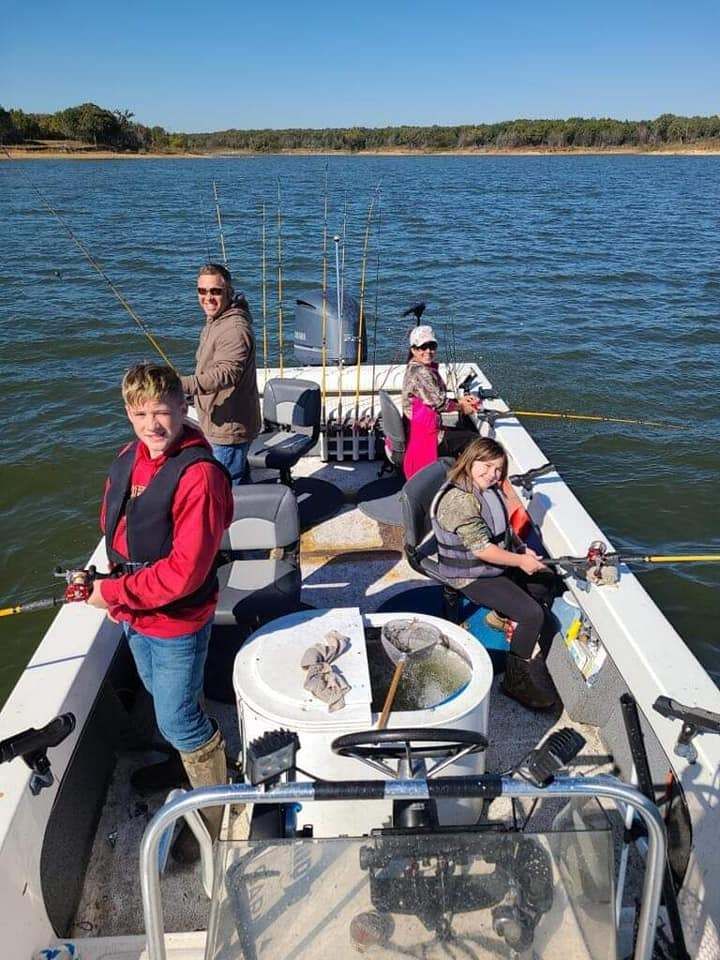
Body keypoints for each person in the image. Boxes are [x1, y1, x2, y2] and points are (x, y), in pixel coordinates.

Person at [87, 362, 234, 859]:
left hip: (176, 621)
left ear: (183, 408)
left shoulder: (201, 478)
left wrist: (113, 595)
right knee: (163, 698)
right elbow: (118, 530)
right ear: (129, 414)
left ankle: (216, 815)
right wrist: (112, 588)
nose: (153, 424)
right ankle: (184, 765)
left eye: (163, 412)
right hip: (134, 614)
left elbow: (185, 573)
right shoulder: (130, 457)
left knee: (178, 720)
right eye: (142, 412)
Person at [430, 437, 561, 710]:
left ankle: (499, 616)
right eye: (486, 466)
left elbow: (502, 530)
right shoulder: (460, 501)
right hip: (469, 574)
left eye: (499, 469)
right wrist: (520, 562)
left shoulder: (486, 488)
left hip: (491, 567)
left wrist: (522, 549)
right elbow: (482, 550)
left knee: (546, 581)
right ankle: (515, 681)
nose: (493, 474)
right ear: (470, 461)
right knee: (532, 614)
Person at [181, 263, 261, 485]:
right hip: (219, 422)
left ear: (229, 292)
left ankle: (239, 518)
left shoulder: (234, 329)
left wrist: (180, 385)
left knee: (225, 489)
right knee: (239, 480)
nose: (208, 297)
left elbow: (226, 374)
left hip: (228, 430)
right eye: (202, 291)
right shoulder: (216, 320)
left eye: (215, 291)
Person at [401, 324, 481, 478]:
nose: (428, 351)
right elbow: (439, 403)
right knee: (474, 440)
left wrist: (460, 400)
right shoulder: (420, 373)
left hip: (423, 426)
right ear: (413, 350)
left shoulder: (417, 367)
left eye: (432, 346)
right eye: (422, 347)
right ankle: (462, 476)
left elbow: (434, 396)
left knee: (462, 434)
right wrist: (463, 408)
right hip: (427, 433)